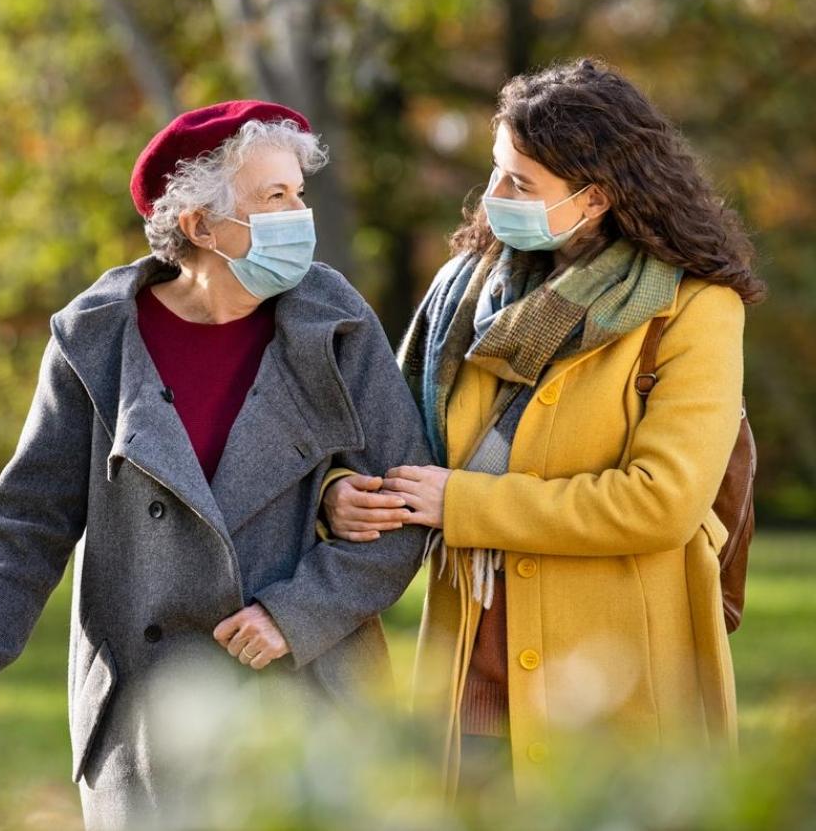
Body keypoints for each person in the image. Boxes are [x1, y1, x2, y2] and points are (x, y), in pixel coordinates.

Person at [0, 100, 432, 828]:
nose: (297, 215)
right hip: (145, 723)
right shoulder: (95, 340)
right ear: (199, 224)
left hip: (312, 706)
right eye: (273, 197)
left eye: (298, 195)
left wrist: (298, 612)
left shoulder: (336, 322)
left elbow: (407, 505)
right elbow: (27, 522)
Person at [321, 59, 763, 799]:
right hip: (468, 675)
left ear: (593, 199)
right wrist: (341, 492)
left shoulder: (695, 309)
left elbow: (661, 500)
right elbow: (384, 440)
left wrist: (462, 505)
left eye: (520, 184)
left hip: (617, 685)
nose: (493, 198)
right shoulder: (466, 296)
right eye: (496, 172)